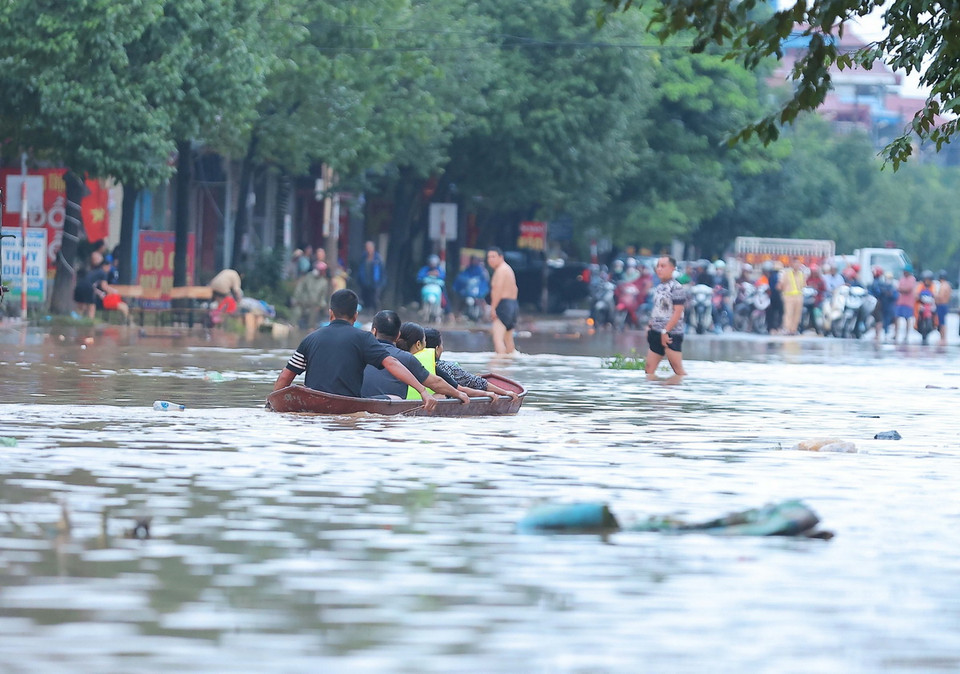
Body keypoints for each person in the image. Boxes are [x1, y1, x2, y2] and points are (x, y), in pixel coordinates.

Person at [272, 290, 438, 412]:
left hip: (313, 401)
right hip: (347, 405)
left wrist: (272, 404)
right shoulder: (364, 339)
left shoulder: (310, 338)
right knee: (394, 398)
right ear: (356, 316)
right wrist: (423, 391)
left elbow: (286, 376)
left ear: (331, 314)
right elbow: (392, 363)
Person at [360, 313, 469, 403]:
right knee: (440, 396)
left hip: (358, 402)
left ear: (373, 332)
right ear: (398, 335)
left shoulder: (358, 353)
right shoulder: (406, 357)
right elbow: (435, 383)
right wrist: (459, 394)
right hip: (390, 410)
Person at [397, 325, 496, 401]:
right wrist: (487, 394)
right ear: (418, 344)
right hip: (422, 402)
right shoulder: (428, 364)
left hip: (397, 400)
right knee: (441, 395)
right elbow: (445, 384)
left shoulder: (389, 359)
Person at [424, 328, 519, 401]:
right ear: (437, 349)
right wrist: (504, 392)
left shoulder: (411, 363)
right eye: (441, 345)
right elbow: (476, 382)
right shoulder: (447, 367)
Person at [645, 255, 687, 377]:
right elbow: (658, 309)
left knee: (678, 370)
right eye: (658, 266)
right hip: (656, 332)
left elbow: (677, 312)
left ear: (673, 268)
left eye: (663, 266)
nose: (659, 269)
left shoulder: (676, 288)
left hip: (670, 334)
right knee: (649, 369)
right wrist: (650, 325)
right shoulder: (659, 287)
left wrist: (665, 331)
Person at [487, 246, 519, 354]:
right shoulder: (508, 269)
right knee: (508, 339)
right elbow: (515, 289)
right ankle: (509, 365)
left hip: (504, 305)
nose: (491, 259)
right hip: (513, 305)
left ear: (501, 257)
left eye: (493, 256)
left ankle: (499, 366)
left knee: (497, 339)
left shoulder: (501, 270)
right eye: (489, 257)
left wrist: (493, 308)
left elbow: (497, 290)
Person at [291, 260, 330, 330]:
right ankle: (292, 326)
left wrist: (320, 305)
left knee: (314, 314)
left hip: (313, 305)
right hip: (302, 302)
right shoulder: (308, 277)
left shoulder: (324, 283)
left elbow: (322, 296)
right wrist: (296, 298)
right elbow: (300, 288)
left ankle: (311, 328)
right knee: (296, 311)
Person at [778, 257, 805, 335]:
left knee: (797, 314)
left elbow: (803, 285)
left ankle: (793, 330)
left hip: (799, 297)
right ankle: (787, 328)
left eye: (798, 263)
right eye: (795, 263)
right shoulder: (786, 273)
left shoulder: (801, 274)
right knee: (788, 313)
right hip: (789, 297)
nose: (797, 265)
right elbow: (780, 285)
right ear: (791, 264)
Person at [356, 240, 386, 313]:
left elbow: (382, 271)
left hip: (375, 282)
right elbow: (360, 269)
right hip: (365, 281)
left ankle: (377, 312)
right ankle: (368, 312)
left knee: (375, 298)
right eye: (367, 247)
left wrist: (381, 282)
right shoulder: (363, 257)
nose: (368, 249)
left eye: (370, 247)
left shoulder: (378, 258)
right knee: (366, 298)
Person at [893, 267, 917, 342]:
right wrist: (902, 289)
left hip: (908, 302)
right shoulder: (902, 279)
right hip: (900, 301)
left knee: (907, 319)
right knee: (896, 317)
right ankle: (895, 334)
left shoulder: (912, 279)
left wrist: (901, 289)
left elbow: (908, 289)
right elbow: (899, 288)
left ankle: (906, 335)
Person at [935, 269, 952, 345]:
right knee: (943, 322)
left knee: (942, 323)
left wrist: (935, 295)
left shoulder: (943, 286)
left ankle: (942, 339)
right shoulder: (948, 285)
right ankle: (943, 338)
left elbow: (941, 296)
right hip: (944, 305)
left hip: (941, 305)